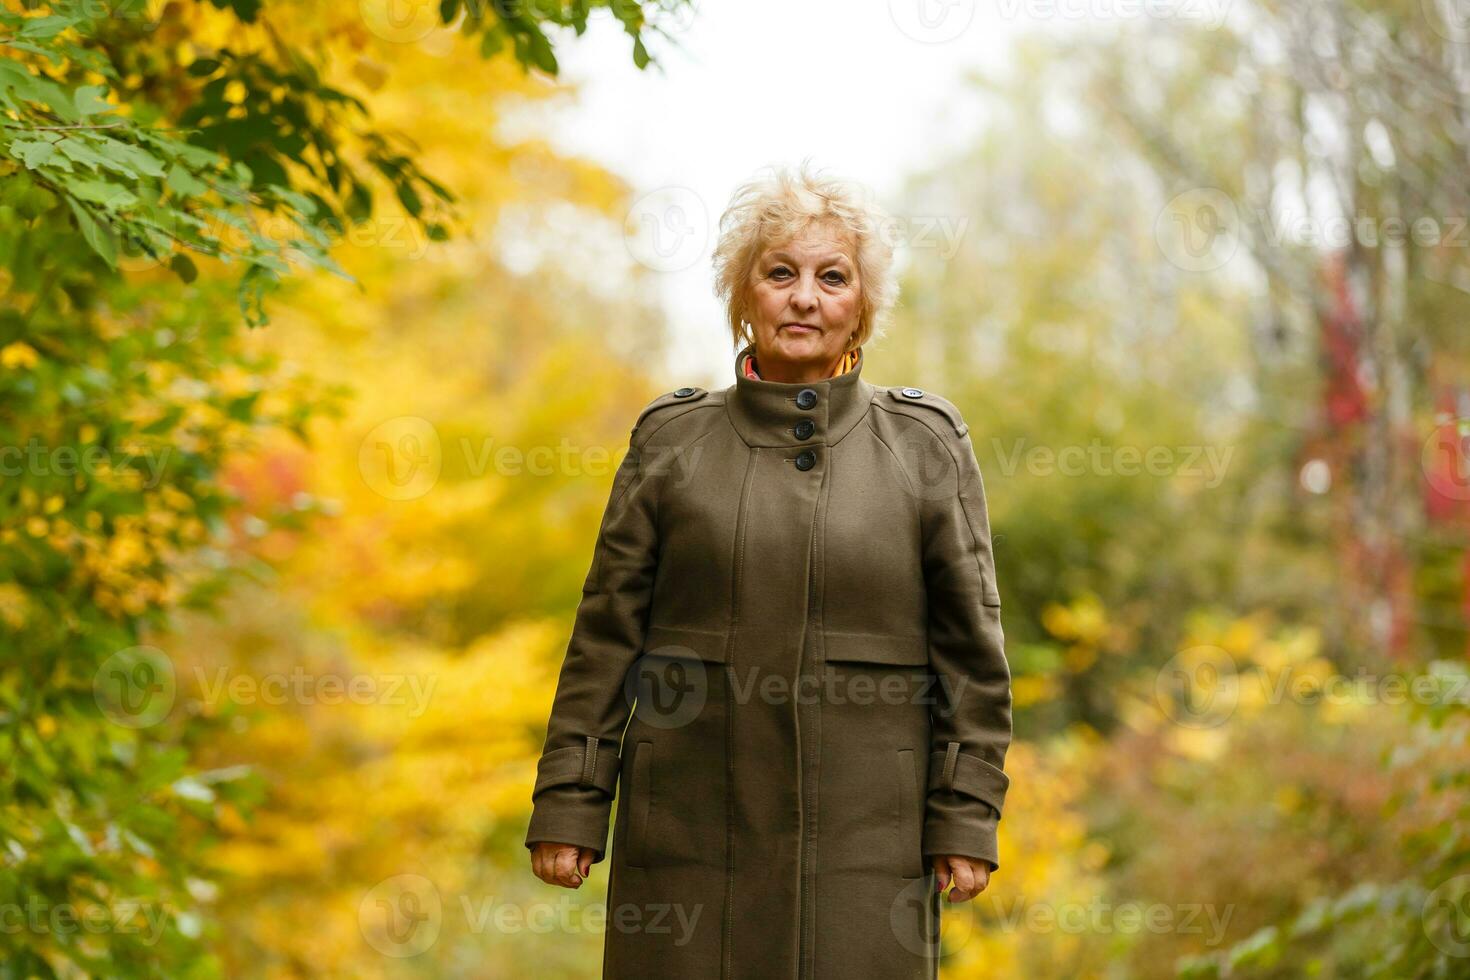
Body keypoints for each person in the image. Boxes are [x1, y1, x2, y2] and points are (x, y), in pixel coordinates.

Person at [525, 161, 1013, 978]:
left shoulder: (926, 445)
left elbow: (974, 657)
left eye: (833, 276)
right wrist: (571, 800)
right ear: (743, 293)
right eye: (780, 272)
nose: (805, 296)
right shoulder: (671, 442)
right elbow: (606, 635)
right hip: (682, 838)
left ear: (863, 303)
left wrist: (965, 817)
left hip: (868, 847)